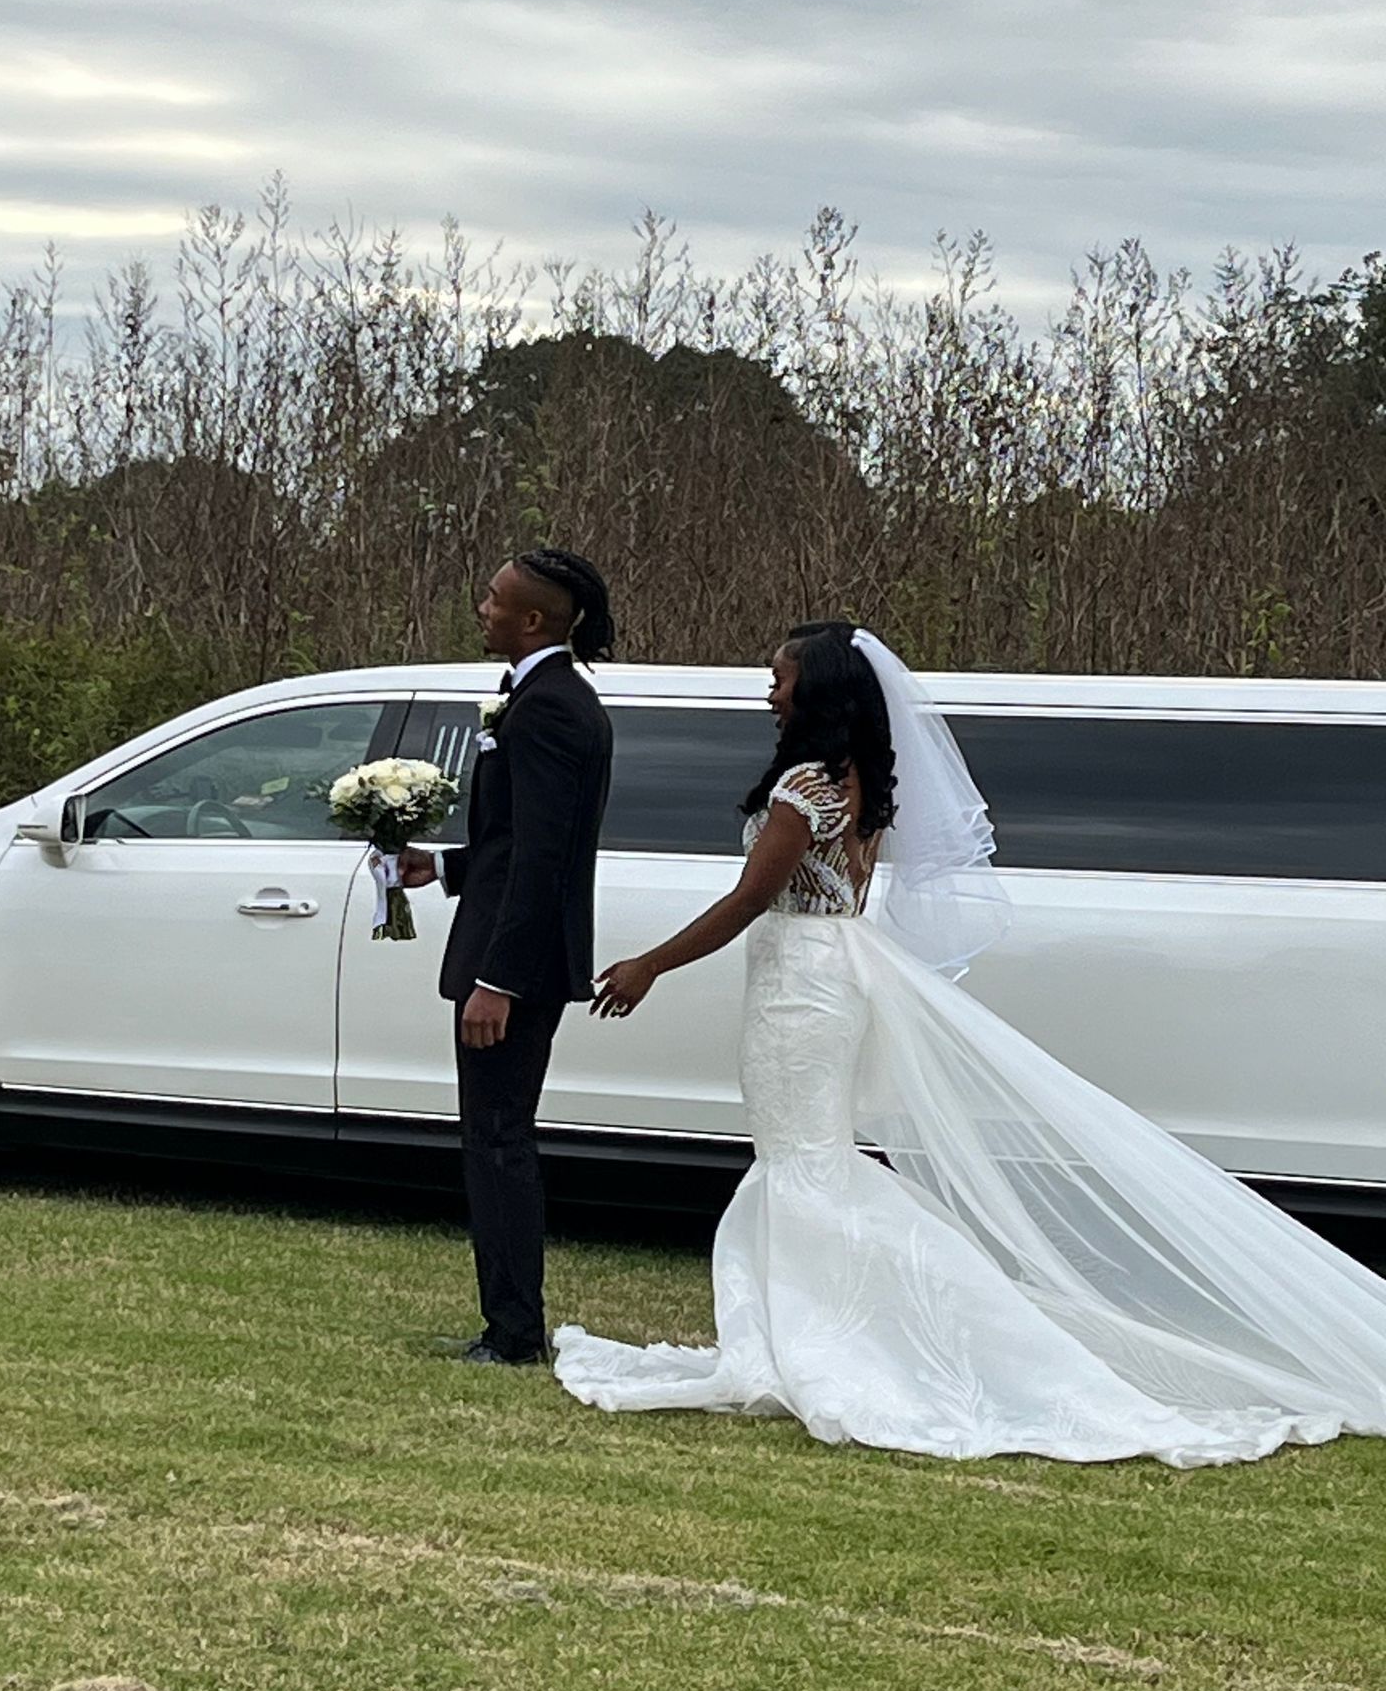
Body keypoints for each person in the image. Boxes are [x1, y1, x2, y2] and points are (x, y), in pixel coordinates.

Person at [554, 620, 1386, 1463]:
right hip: (828, 972)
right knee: (814, 1160)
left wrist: (648, 965)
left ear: (822, 691)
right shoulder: (859, 783)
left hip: (798, 986)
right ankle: (814, 1333)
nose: (768, 693)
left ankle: (871, 1336)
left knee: (803, 1165)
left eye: (781, 678)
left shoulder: (806, 785)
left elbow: (746, 901)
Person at [400, 549, 615, 1365]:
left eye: (495, 598)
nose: (482, 606)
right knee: (491, 1136)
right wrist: (443, 865)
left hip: (512, 969)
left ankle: (515, 1330)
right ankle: (507, 1322)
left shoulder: (553, 708)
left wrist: (498, 980)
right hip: (502, 948)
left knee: (498, 1140)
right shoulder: (532, 698)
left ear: (534, 621)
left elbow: (546, 858)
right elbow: (512, 838)